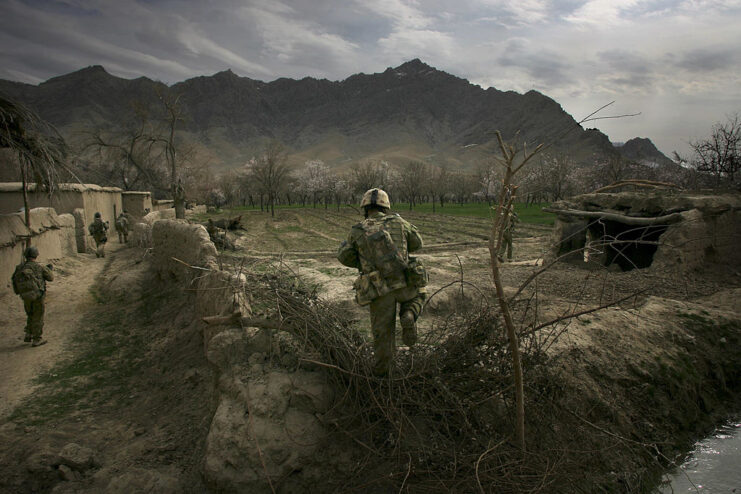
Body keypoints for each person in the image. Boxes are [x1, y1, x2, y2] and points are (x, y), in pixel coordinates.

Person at [337, 188, 428, 376]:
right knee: (419, 293)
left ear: (365, 207)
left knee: (382, 336)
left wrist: (364, 261)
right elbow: (417, 244)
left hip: (379, 291)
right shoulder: (400, 222)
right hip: (404, 283)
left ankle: (383, 377)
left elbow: (345, 257)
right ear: (385, 206)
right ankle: (409, 313)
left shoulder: (357, 230)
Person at [11, 246, 54, 347]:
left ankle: (28, 334)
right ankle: (37, 339)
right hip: (38, 296)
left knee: (30, 314)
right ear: (36, 255)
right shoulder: (39, 267)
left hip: (25, 296)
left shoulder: (19, 267)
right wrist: (49, 269)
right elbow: (50, 278)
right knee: (38, 316)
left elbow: (14, 280)